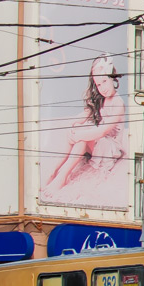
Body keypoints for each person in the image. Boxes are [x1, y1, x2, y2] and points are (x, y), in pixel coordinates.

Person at [41, 55, 127, 198]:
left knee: (83, 136)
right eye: (98, 85)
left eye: (104, 81)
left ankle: (62, 176)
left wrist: (80, 135)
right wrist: (73, 126)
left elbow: (102, 131)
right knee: (80, 132)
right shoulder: (101, 100)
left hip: (111, 149)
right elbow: (84, 115)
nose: (102, 88)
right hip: (100, 143)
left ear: (112, 78)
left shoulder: (118, 102)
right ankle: (55, 171)